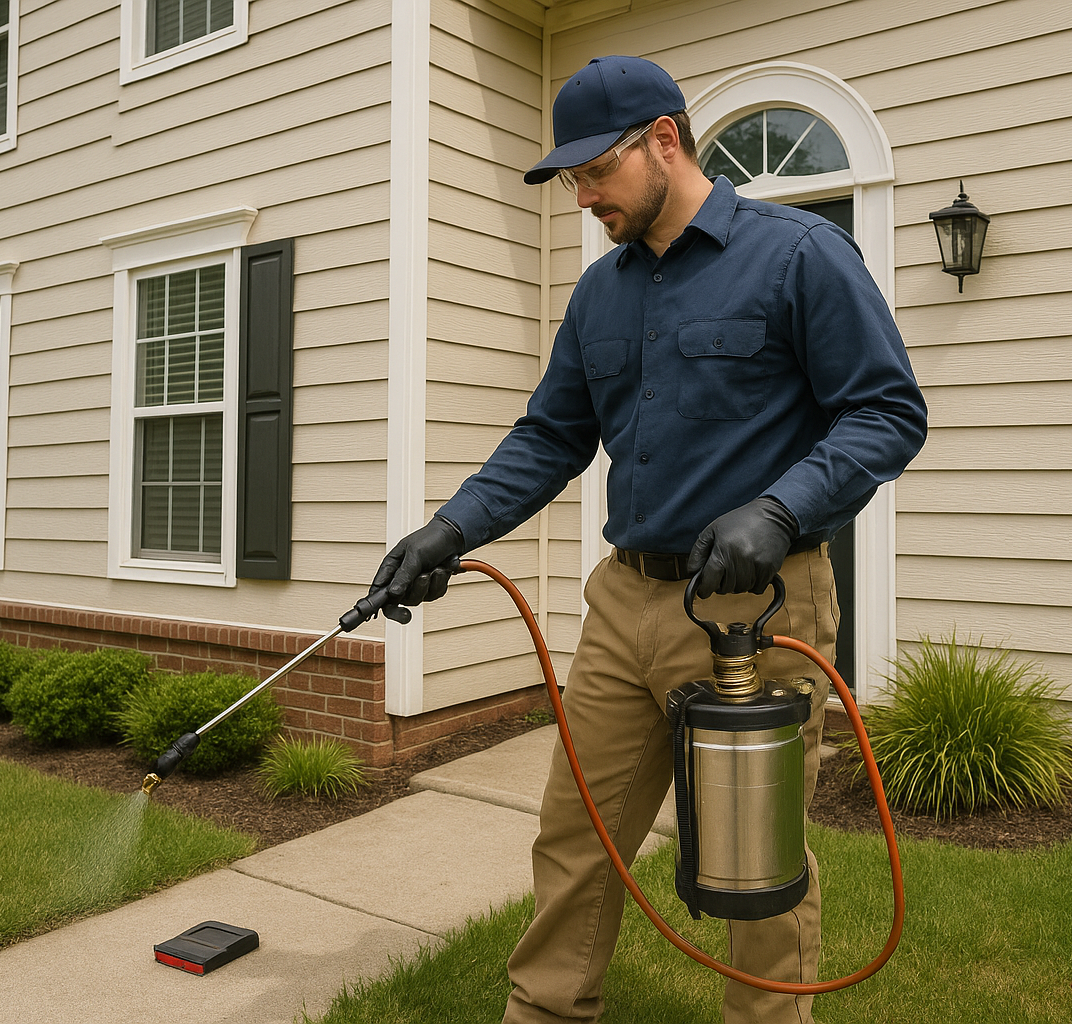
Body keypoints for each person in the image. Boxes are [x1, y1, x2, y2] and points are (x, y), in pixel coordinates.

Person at [366, 55, 927, 1024]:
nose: (582, 195)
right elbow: (551, 436)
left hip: (759, 607)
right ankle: (542, 1010)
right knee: (575, 829)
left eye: (596, 171)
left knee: (756, 863)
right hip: (623, 604)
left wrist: (781, 509)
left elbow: (885, 412)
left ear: (665, 138)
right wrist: (446, 528)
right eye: (571, 178)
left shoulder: (797, 255)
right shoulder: (599, 296)